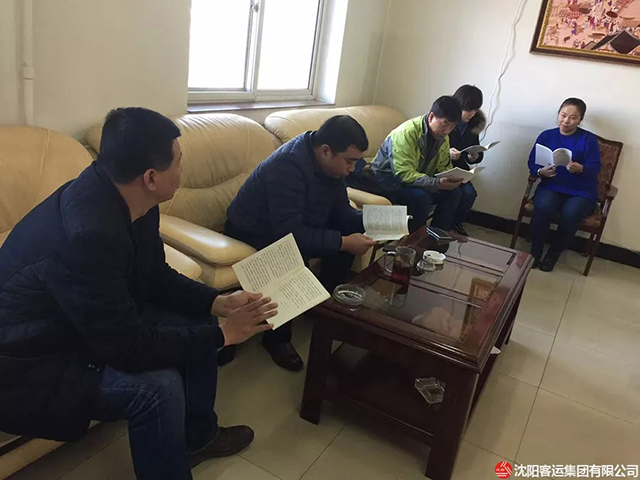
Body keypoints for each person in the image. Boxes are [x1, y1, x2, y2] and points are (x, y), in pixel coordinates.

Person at [0, 107, 279, 480]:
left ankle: (199, 437)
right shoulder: (90, 236)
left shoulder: (131, 198)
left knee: (199, 319)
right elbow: (127, 349)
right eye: (178, 163)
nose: (182, 170)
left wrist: (216, 302)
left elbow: (154, 276)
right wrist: (224, 335)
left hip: (78, 323)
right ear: (150, 177)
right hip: (28, 360)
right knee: (157, 388)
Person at [223, 115, 376, 371]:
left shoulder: (332, 166)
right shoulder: (288, 166)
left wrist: (375, 220)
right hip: (253, 228)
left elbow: (341, 211)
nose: (352, 169)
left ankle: (324, 306)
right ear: (325, 151)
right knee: (294, 253)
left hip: (292, 223)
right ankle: (277, 339)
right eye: (349, 161)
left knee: (346, 232)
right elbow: (290, 233)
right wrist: (343, 243)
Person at [347, 96, 464, 233]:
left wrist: (450, 178)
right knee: (421, 197)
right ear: (431, 117)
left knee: (454, 193)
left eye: (452, 127)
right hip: (387, 182)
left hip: (415, 181)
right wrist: (436, 183)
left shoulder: (443, 139)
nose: (447, 131)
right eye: (444, 124)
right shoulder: (406, 133)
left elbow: (443, 166)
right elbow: (403, 173)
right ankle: (414, 240)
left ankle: (436, 237)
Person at [527, 98, 601, 272]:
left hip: (581, 191)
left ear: (580, 120)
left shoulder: (588, 139)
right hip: (552, 185)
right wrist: (541, 172)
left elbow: (595, 167)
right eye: (563, 115)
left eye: (573, 118)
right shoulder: (546, 136)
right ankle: (535, 251)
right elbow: (532, 162)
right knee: (543, 206)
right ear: (558, 114)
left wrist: (581, 168)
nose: (566, 121)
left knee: (571, 213)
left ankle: (553, 253)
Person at [448, 85, 486, 236]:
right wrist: (447, 152)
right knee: (455, 193)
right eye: (469, 110)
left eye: (475, 110)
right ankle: (444, 226)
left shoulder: (472, 125)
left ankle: (455, 224)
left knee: (470, 194)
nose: (472, 114)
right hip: (440, 167)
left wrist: (474, 156)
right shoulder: (445, 118)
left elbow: (474, 150)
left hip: (459, 169)